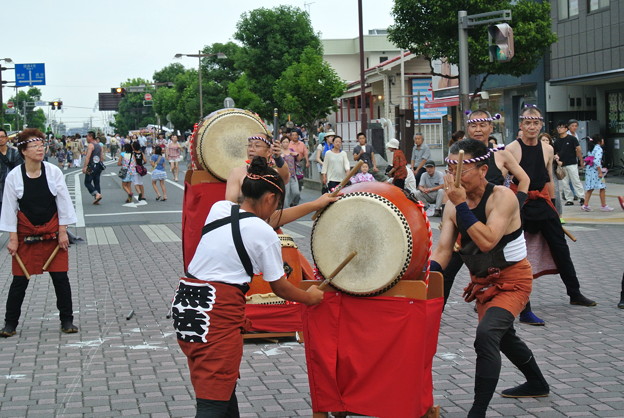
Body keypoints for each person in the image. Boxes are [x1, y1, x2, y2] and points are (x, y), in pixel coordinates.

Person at [173, 157, 323, 417]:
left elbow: (247, 223)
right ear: (269, 200)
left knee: (219, 384)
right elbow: (281, 288)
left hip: (188, 302)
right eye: (277, 204)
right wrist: (310, 298)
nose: (275, 210)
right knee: (212, 400)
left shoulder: (219, 208)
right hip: (217, 312)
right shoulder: (264, 234)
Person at [431, 139, 549, 418]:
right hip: (484, 282)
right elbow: (444, 251)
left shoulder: (502, 198)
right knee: (503, 336)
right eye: (449, 168)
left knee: (486, 336)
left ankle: (477, 411)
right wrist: (426, 275)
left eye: (462, 169)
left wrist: (461, 205)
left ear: (483, 170)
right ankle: (537, 382)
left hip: (514, 280)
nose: (454, 176)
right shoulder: (452, 205)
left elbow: (487, 241)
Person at [506, 106, 596, 309]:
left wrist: (555, 207)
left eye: (536, 122)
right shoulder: (511, 149)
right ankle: (514, 296)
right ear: (521, 125)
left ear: (541, 125)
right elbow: (503, 180)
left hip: (543, 202)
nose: (531, 126)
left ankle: (574, 292)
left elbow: (550, 179)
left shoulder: (548, 148)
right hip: (520, 203)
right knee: (515, 251)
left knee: (560, 248)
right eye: (527, 123)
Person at [442, 110, 531, 311]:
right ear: (467, 128)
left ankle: (521, 309)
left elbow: (524, 179)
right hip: (465, 212)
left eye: (482, 125)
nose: (478, 129)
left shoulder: (501, 153)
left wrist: (518, 202)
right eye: (473, 125)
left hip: (496, 214)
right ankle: (435, 310)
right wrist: (449, 209)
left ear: (491, 127)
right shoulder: (458, 155)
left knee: (508, 263)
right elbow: (452, 189)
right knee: (446, 268)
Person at [0, 129, 78, 337]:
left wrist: (63, 232)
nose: (40, 149)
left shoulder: (53, 172)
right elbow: (9, 209)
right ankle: (10, 324)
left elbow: (63, 203)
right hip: (26, 234)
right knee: (19, 281)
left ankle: (67, 320)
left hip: (52, 232)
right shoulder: (14, 177)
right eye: (34, 146)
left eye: (41, 146)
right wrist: (13, 239)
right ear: (24, 151)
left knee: (61, 278)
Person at [225, 133, 290, 203]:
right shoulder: (237, 173)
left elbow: (285, 177)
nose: (251, 149)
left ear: (269, 152)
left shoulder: (273, 174)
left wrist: (278, 158)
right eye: (249, 145)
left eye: (257, 146)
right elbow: (230, 202)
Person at [554, 120, 585, 206]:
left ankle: (581, 197)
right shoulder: (557, 141)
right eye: (558, 127)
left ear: (566, 129)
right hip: (562, 164)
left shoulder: (572, 139)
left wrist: (581, 160)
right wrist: (557, 161)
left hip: (572, 163)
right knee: (565, 183)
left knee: (576, 181)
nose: (560, 129)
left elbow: (578, 149)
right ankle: (569, 199)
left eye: (562, 127)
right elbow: (555, 153)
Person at [582, 134, 613, 212]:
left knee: (590, 188)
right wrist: (600, 172)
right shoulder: (598, 148)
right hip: (596, 171)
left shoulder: (591, 148)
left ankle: (585, 205)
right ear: (599, 141)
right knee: (602, 187)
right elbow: (597, 161)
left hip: (589, 170)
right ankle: (603, 205)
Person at [539, 133, 564, 217]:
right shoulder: (536, 151)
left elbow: (559, 163)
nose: (545, 142)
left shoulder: (552, 151)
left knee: (555, 194)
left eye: (547, 140)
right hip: (541, 178)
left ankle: (558, 214)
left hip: (552, 176)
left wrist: (557, 161)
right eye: (543, 140)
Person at [0, 128, 24, 216]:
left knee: (13, 220)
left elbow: (19, 173)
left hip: (11, 192)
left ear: (7, 138)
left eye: (2, 136)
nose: (0, 139)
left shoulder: (16, 153)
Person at [82, 131, 103, 205]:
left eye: (87, 136)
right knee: (96, 182)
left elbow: (87, 157)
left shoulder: (91, 145)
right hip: (98, 166)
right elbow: (101, 157)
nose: (86, 138)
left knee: (87, 182)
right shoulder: (99, 145)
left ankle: (96, 194)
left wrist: (85, 167)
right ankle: (97, 198)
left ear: (91, 137)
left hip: (91, 165)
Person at [280, 136, 300, 207]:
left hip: (293, 175)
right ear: (281, 143)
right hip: (284, 176)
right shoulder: (279, 152)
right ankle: (286, 210)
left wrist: (296, 154)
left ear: (289, 143)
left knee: (296, 193)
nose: (285, 144)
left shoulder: (291, 150)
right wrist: (281, 157)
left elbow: (298, 160)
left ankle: (293, 203)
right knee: (286, 194)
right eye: (284, 142)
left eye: (287, 142)